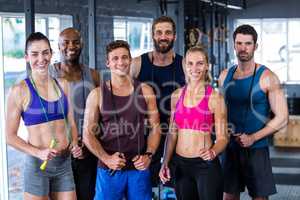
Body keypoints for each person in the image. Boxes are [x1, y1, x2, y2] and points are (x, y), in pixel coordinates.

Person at [6, 32, 82, 200]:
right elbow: (9, 137)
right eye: (35, 54)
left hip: (64, 164)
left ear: (51, 54)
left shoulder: (63, 84)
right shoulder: (19, 90)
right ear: (26, 57)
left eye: (45, 52)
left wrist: (75, 143)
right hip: (37, 166)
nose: (41, 58)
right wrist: (38, 153)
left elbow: (71, 123)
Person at [83, 40, 161, 200]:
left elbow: (155, 128)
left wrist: (149, 154)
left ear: (130, 60)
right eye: (115, 58)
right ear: (108, 63)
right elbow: (87, 134)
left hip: (138, 169)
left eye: (125, 57)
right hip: (109, 169)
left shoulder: (146, 91)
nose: (121, 62)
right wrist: (106, 159)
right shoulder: (97, 94)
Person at [218, 24, 288, 200]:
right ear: (233, 45)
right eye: (239, 43)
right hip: (230, 147)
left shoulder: (267, 77)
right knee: (228, 197)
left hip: (256, 149)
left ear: (255, 46)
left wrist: (253, 138)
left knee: (259, 197)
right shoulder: (224, 75)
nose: (243, 48)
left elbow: (282, 118)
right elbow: (220, 110)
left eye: (248, 43)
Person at [159, 46, 228, 200]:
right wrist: (166, 162)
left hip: (205, 166)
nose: (194, 68)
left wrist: (213, 152)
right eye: (190, 63)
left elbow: (223, 138)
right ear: (185, 66)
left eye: (199, 63)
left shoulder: (215, 98)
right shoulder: (176, 96)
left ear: (206, 66)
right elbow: (172, 133)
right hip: (180, 165)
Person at [130, 15, 185, 189]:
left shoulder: (184, 64)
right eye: (159, 32)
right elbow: (123, 96)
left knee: (174, 188)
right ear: (153, 35)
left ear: (175, 36)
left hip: (176, 136)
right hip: (145, 137)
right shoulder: (138, 63)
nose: (163, 36)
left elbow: (197, 99)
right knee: (146, 188)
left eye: (168, 32)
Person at [49, 27, 100, 200]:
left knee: (87, 195)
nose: (71, 46)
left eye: (76, 42)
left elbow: (100, 114)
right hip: (58, 151)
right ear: (58, 46)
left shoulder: (93, 75)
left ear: (82, 45)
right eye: (66, 42)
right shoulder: (49, 74)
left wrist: (87, 144)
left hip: (87, 150)